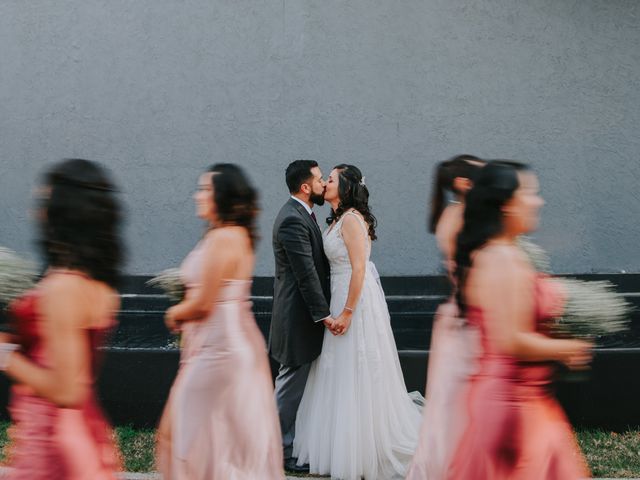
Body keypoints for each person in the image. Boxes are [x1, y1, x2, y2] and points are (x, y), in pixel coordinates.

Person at [447, 161, 591, 479]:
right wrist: (568, 348)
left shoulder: (500, 254)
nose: (538, 201)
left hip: (523, 398)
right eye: (530, 193)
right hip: (513, 405)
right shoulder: (501, 258)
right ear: (506, 206)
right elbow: (511, 340)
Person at [293, 164, 422, 480]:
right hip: (338, 295)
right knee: (337, 369)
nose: (326, 182)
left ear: (346, 186)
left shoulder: (351, 220)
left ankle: (364, 448)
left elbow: (359, 270)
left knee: (358, 367)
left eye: (332, 179)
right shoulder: (337, 219)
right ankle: (337, 444)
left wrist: (348, 312)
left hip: (354, 300)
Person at [157, 164, 283, 479]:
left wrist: (174, 313)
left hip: (220, 349)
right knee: (214, 436)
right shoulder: (231, 235)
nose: (197, 196)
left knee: (177, 433)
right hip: (221, 344)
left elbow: (203, 305)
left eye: (205, 190)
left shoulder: (223, 238)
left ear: (223, 196)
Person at [0, 159, 122, 479]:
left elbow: (68, 390)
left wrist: (4, 354)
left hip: (56, 444)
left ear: (63, 212)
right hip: (74, 432)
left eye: (44, 201)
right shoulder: (96, 283)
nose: (35, 211)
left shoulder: (63, 288)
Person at [407, 154, 485, 479]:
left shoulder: (454, 214)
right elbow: (471, 275)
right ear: (464, 183)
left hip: (457, 315)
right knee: (462, 402)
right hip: (469, 317)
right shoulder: (463, 218)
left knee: (455, 400)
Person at [269, 160, 333, 474]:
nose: (323, 184)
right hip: (296, 318)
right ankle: (278, 452)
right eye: (320, 179)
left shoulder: (302, 214)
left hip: (301, 315)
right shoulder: (291, 220)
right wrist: (324, 315)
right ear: (306, 187)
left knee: (292, 383)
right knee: (288, 385)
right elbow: (306, 274)